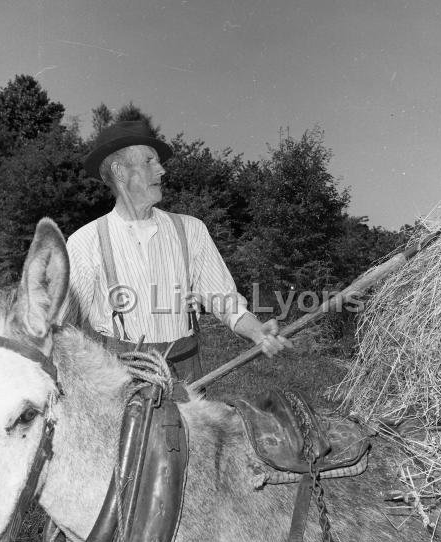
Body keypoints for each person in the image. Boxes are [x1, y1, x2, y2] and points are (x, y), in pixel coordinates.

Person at [60, 120, 291, 383]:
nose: (162, 170)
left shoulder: (191, 230)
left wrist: (257, 331)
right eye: (149, 161)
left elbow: (224, 300)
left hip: (186, 380)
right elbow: (64, 327)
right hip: (119, 382)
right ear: (119, 172)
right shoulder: (85, 241)